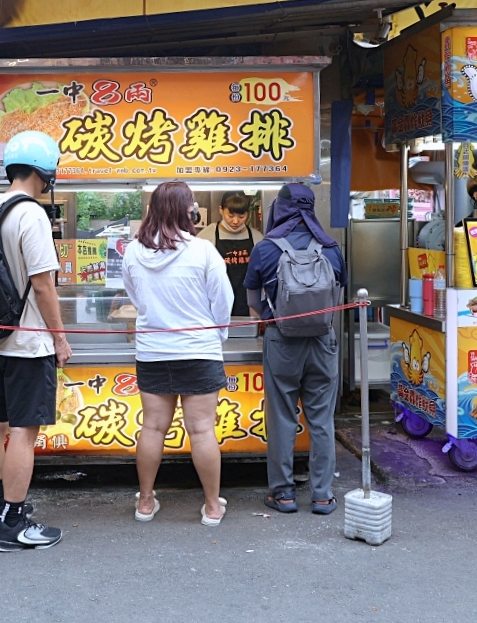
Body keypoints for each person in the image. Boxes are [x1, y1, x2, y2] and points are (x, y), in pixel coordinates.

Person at [0, 131, 71, 552]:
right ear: (45, 171)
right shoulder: (31, 214)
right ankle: (13, 524)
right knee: (23, 434)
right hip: (29, 343)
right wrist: (60, 338)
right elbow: (44, 285)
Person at [122, 181, 232, 526]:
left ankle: (145, 502)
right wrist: (218, 334)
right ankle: (212, 507)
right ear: (187, 210)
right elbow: (223, 302)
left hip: (154, 350)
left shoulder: (132, 252)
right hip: (199, 350)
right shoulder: (203, 251)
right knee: (201, 430)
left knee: (153, 428)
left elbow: (136, 299)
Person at [244, 183, 348, 517]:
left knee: (282, 419)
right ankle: (321, 495)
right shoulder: (331, 248)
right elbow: (338, 297)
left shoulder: (265, 248)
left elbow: (252, 305)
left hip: (281, 341)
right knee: (321, 420)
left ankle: (284, 494)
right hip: (322, 341)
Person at [197, 191, 263, 318]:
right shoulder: (206, 237)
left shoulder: (257, 238)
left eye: (242, 216)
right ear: (221, 210)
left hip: (248, 306)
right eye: (230, 215)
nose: (236, 221)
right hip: (215, 304)